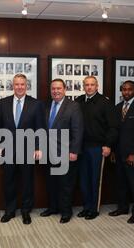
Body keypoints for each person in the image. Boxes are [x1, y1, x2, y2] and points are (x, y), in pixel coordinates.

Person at [0, 74, 44, 225]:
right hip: (8, 150)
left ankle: (25, 211)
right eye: (16, 84)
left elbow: (40, 128)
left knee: (27, 182)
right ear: (12, 86)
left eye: (22, 84)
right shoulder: (3, 103)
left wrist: (38, 147)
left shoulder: (36, 104)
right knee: (9, 181)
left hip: (28, 150)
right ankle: (10, 211)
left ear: (26, 86)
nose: (19, 87)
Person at [40, 79, 84, 223]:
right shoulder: (46, 105)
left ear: (65, 89)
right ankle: (53, 207)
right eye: (53, 89)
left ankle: (66, 211)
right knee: (51, 182)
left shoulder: (73, 106)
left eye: (59, 88)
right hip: (48, 152)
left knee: (66, 184)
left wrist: (74, 151)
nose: (56, 91)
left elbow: (78, 130)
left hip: (66, 152)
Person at [75, 76, 119, 220]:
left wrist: (108, 145)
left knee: (95, 180)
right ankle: (86, 206)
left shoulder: (105, 103)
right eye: (86, 85)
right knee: (84, 179)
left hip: (97, 147)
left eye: (92, 85)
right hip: (81, 147)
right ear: (83, 86)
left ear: (97, 86)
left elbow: (113, 127)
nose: (89, 87)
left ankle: (94, 208)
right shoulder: (78, 101)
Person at [109, 81, 134, 224]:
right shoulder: (117, 108)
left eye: (129, 89)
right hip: (119, 153)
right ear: (121, 91)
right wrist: (113, 150)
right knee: (121, 183)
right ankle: (122, 207)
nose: (127, 92)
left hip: (133, 154)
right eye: (124, 90)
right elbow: (115, 131)